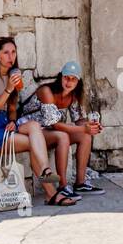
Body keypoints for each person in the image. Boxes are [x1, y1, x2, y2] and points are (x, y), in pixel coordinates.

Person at [0, 37, 78, 207]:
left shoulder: (12, 75)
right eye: (6, 53)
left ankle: (46, 175)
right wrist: (9, 88)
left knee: (34, 126)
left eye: (13, 52)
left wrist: (12, 120)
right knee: (33, 143)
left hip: (4, 124)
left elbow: (12, 108)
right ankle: (51, 192)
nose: (11, 56)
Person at [36, 61, 104, 195]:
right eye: (66, 77)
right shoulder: (46, 91)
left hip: (50, 132)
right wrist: (84, 128)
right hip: (34, 132)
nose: (69, 82)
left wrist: (92, 126)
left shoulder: (73, 96)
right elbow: (54, 124)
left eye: (73, 79)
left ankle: (80, 183)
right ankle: (62, 186)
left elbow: (80, 121)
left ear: (78, 81)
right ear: (61, 76)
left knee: (85, 136)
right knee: (63, 136)